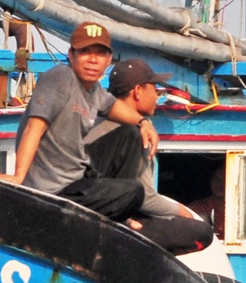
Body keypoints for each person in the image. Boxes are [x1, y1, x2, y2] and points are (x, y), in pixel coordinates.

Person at [12, 23, 213, 254]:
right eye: (85, 52)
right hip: (55, 193)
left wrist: (143, 122)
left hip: (80, 184)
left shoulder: (94, 91)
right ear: (71, 55)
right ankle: (119, 228)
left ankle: (119, 221)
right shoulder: (61, 77)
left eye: (100, 53)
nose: (92, 60)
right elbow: (33, 128)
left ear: (109, 60)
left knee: (130, 134)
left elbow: (113, 106)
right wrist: (19, 177)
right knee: (134, 189)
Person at [85, 59, 206, 224]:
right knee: (198, 230)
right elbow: (144, 199)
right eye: (155, 89)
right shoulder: (134, 133)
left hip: (92, 204)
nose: (157, 96)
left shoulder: (93, 122)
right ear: (137, 91)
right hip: (110, 215)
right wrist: (183, 212)